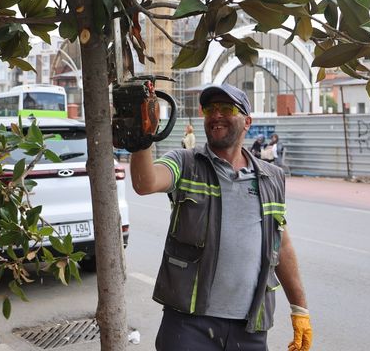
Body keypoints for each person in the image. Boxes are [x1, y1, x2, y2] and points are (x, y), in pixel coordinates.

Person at [130, 84, 312, 351]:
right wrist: (142, 136)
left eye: (226, 108)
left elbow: (280, 243)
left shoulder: (272, 177)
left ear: (247, 121)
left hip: (250, 328)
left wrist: (300, 309)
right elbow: (145, 183)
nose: (216, 115)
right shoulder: (185, 163)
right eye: (210, 109)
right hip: (189, 325)